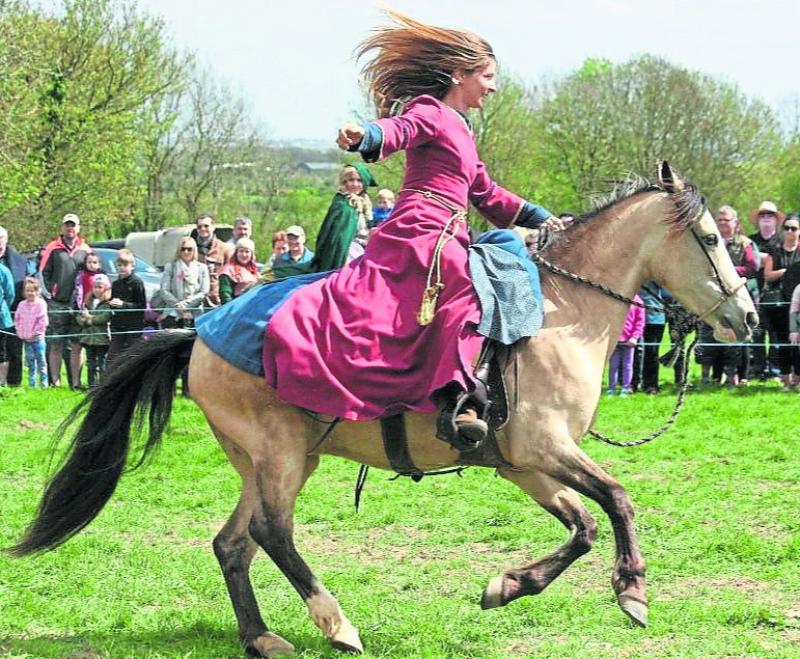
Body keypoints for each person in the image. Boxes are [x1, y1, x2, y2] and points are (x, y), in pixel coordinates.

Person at [251, 11, 561, 446]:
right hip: (421, 229)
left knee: (504, 251)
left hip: (449, 231)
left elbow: (486, 192)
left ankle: (477, 380)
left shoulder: (464, 129)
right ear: (460, 73)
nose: (492, 86)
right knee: (470, 289)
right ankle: (459, 396)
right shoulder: (430, 111)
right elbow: (400, 129)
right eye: (487, 76)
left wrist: (542, 216)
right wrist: (365, 137)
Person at [40, 213, 90, 387]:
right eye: (67, 225)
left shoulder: (85, 249)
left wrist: (87, 300)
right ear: (63, 227)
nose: (70, 228)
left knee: (77, 345)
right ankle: (55, 381)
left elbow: (92, 274)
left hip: (77, 305)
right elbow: (42, 273)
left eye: (73, 225)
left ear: (78, 228)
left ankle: (76, 382)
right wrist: (49, 295)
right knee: (56, 343)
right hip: (57, 303)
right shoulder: (53, 247)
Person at [311, 164, 377, 272]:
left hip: (366, 251)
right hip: (349, 255)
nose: (355, 184)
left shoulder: (364, 201)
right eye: (351, 180)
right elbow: (338, 239)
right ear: (344, 182)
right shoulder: (343, 205)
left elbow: (370, 228)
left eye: (359, 180)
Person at [763, 212, 800, 390]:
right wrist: (787, 272)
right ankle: (786, 380)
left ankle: (798, 380)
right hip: (780, 304)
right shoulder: (774, 250)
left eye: (794, 228)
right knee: (784, 343)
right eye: (786, 228)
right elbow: (768, 276)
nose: (790, 231)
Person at [748, 201, 783, 380]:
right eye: (763, 216)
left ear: (776, 220)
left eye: (770, 216)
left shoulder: (783, 241)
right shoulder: (751, 240)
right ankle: (758, 370)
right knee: (757, 334)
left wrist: (762, 259)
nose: (766, 219)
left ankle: (775, 371)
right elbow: (748, 262)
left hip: (778, 295)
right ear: (758, 220)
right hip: (755, 295)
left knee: (776, 336)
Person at [158, 237, 210, 328]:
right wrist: (179, 307)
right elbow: (164, 291)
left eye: (189, 249)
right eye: (183, 249)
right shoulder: (170, 266)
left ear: (194, 250)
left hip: (195, 314)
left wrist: (185, 305)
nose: (186, 252)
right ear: (179, 250)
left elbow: (204, 292)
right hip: (172, 313)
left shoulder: (202, 268)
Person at [107, 249, 146, 368]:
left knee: (132, 356)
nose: (122, 268)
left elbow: (141, 306)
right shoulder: (116, 284)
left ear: (132, 266)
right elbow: (112, 303)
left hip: (133, 326)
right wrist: (111, 304)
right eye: (119, 265)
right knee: (113, 356)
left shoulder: (137, 283)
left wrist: (123, 304)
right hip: (118, 325)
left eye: (125, 265)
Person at [0, 225, 28, 386]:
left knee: (13, 351)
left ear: (6, 240)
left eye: (1, 238)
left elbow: (11, 291)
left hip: (11, 313)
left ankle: (13, 384)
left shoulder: (18, 260)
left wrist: (5, 306)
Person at [75, 274, 112, 388]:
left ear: (106, 288)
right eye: (95, 287)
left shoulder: (107, 304)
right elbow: (79, 317)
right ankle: (92, 385)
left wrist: (89, 318)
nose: (96, 289)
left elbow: (104, 317)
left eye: (100, 287)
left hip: (102, 339)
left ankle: (103, 385)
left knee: (101, 363)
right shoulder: (88, 302)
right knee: (90, 363)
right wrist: (85, 320)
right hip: (88, 338)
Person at [191, 214, 233, 308]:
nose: (202, 229)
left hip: (216, 302)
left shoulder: (224, 249)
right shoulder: (191, 249)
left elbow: (230, 277)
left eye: (206, 226)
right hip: (195, 302)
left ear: (213, 227)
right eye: (199, 227)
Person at [607, 295, 645, 396]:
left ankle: (625, 388)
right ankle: (611, 388)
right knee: (613, 366)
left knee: (627, 366)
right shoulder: (616, 297)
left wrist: (635, 337)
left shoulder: (638, 301)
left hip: (629, 341)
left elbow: (640, 322)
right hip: (615, 340)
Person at [13, 277, 49, 388]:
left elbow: (42, 321)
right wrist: (20, 332)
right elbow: (17, 319)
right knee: (30, 362)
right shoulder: (21, 305)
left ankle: (44, 383)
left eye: (32, 290)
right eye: (27, 290)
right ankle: (32, 384)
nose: (30, 293)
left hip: (37, 339)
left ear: (37, 291)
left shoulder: (41, 304)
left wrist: (35, 332)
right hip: (26, 339)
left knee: (41, 361)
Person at [218, 237, 259, 304]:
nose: (244, 254)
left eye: (247, 251)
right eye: (241, 251)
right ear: (236, 253)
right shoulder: (228, 271)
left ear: (251, 254)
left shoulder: (254, 272)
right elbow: (225, 297)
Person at [0, 260, 14, 385]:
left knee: (1, 351)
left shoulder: (3, 271)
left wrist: (3, 308)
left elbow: (10, 294)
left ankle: (1, 382)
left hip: (1, 319)